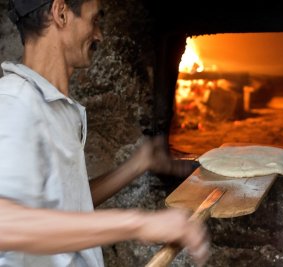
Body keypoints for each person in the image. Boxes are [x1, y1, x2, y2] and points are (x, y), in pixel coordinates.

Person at [0, 0, 210, 266]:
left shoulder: (54, 106)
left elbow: (63, 203)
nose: (99, 34)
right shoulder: (13, 101)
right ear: (61, 13)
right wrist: (138, 224)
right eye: (94, 20)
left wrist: (135, 166)